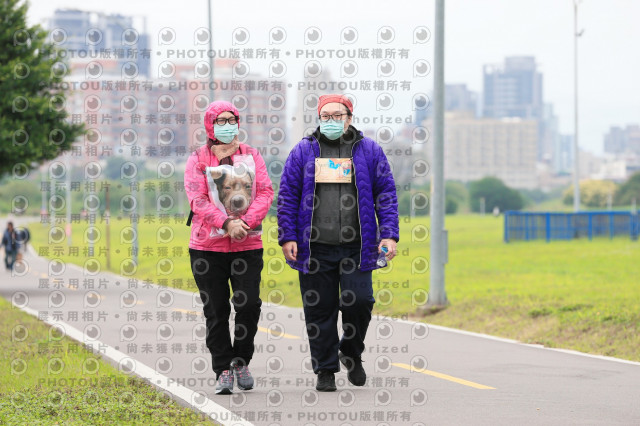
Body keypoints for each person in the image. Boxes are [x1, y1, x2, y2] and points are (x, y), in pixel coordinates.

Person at [277, 94, 400, 392]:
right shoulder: (303, 151)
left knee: (361, 301)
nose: (331, 121)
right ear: (319, 118)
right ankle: (325, 369)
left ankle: (351, 351)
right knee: (320, 309)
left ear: (349, 118)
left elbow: (386, 194)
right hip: (314, 246)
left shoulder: (369, 150)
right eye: (326, 116)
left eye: (338, 115)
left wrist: (389, 234)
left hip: (357, 246)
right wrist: (288, 236)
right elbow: (288, 196)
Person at [184, 100, 274, 394]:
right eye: (220, 121)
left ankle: (241, 360)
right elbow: (197, 199)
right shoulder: (198, 159)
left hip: (247, 244)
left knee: (249, 305)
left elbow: (265, 192)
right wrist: (226, 223)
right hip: (207, 247)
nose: (226, 126)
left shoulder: (252, 155)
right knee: (216, 310)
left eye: (231, 120)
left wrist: (244, 222)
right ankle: (223, 368)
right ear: (210, 125)